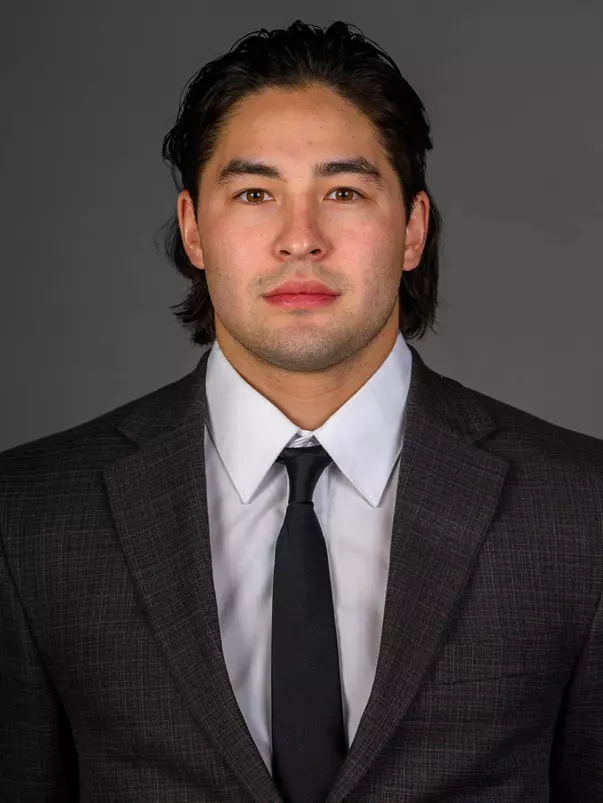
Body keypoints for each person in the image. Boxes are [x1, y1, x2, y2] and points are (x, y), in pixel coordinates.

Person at [0, 18, 601, 803]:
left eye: (343, 191)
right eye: (254, 193)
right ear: (193, 229)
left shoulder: (582, 509)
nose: (300, 239)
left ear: (413, 228)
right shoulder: (31, 516)